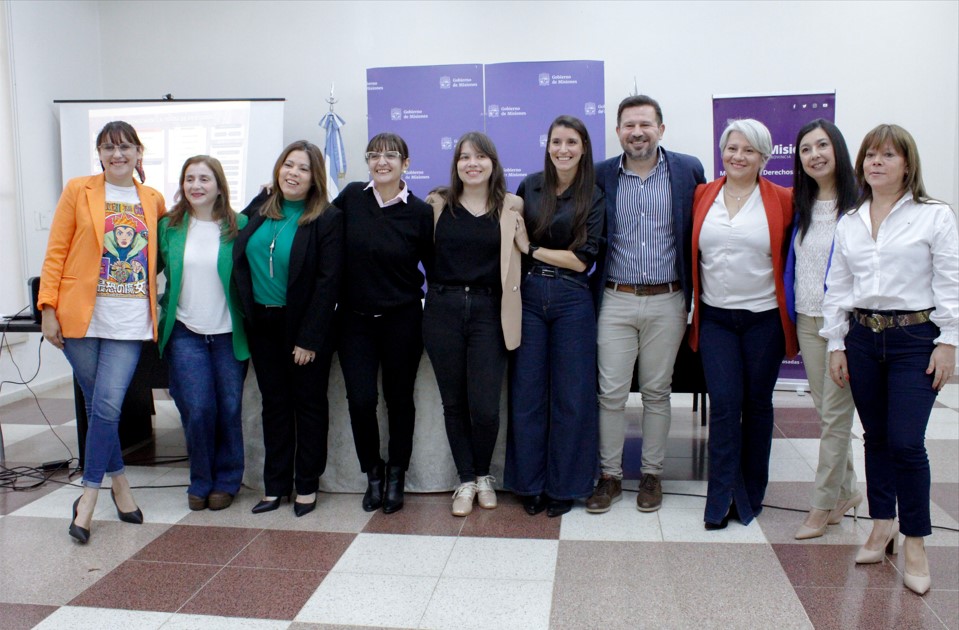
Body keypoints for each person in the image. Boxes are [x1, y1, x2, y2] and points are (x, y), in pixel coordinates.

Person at [822, 124, 957, 595]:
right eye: (870, 156)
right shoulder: (851, 219)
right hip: (862, 338)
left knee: (905, 441)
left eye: (887, 155)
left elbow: (950, 280)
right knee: (875, 437)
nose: (876, 162)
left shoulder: (933, 215)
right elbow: (837, 286)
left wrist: (949, 341)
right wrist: (837, 343)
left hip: (914, 338)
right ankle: (883, 524)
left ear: (907, 163)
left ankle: (915, 538)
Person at [38, 121, 165, 543]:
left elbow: (160, 256)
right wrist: (48, 308)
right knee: (99, 407)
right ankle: (120, 484)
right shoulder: (79, 190)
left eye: (126, 147)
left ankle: (88, 498)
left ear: (138, 153)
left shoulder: (153, 199)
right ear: (99, 154)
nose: (118, 154)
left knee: (106, 406)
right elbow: (56, 252)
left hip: (129, 323)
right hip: (80, 319)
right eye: (109, 148)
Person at [587, 95, 706, 514]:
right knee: (611, 394)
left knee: (658, 391)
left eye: (645, 124)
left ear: (661, 128)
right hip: (615, 299)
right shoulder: (601, 174)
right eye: (629, 125)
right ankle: (610, 476)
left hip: (668, 299)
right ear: (618, 131)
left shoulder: (686, 169)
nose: (637, 132)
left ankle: (652, 474)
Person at [689, 118, 798, 529]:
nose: (738, 156)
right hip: (715, 318)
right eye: (732, 148)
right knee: (724, 405)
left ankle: (751, 495)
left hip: (764, 320)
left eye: (748, 150)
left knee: (756, 406)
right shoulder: (703, 195)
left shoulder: (782, 199)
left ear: (764, 157)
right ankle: (719, 499)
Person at [232, 140, 343, 517]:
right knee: (273, 407)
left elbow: (329, 282)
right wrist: (261, 194)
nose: (293, 173)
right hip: (262, 325)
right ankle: (275, 485)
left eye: (303, 168)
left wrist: (309, 337)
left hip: (304, 329)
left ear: (315, 178)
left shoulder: (326, 218)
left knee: (308, 407)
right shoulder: (262, 211)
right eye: (288, 165)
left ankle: (307, 486)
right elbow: (236, 237)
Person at [505, 115, 605, 517]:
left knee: (572, 396)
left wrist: (531, 249)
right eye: (556, 142)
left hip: (571, 298)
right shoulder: (529, 186)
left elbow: (582, 260)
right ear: (547, 146)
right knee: (527, 393)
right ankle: (529, 484)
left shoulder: (593, 194)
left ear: (583, 148)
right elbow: (506, 240)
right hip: (528, 295)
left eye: (571, 142)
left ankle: (566, 486)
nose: (563, 149)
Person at [423, 132, 525, 517]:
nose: (472, 163)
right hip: (443, 310)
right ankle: (465, 480)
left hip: (489, 311)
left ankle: (484, 475)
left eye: (481, 157)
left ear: (493, 164)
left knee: (485, 407)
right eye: (465, 157)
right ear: (456, 165)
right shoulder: (437, 204)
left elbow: (525, 254)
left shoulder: (512, 206)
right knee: (454, 403)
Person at [333, 133, 433, 514]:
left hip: (402, 320)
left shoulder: (421, 212)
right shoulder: (350, 198)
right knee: (360, 401)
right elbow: (316, 223)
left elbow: (434, 268)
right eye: (374, 155)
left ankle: (396, 475)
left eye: (391, 155)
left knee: (399, 401)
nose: (382, 161)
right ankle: (372, 473)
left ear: (405, 163)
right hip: (354, 321)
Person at [158, 156, 249, 511]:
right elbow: (149, 271)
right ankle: (200, 480)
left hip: (228, 333)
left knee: (228, 408)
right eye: (189, 178)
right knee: (197, 408)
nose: (196, 185)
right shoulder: (169, 226)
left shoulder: (238, 224)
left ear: (219, 185)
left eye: (204, 179)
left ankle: (227, 481)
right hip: (186, 332)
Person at [783, 120, 860, 539]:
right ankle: (848, 492)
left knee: (834, 418)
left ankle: (821, 504)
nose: (814, 154)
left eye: (822, 146)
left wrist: (842, 333)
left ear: (838, 150)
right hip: (808, 322)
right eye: (806, 149)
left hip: (843, 329)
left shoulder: (860, 207)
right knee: (828, 414)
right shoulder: (803, 205)